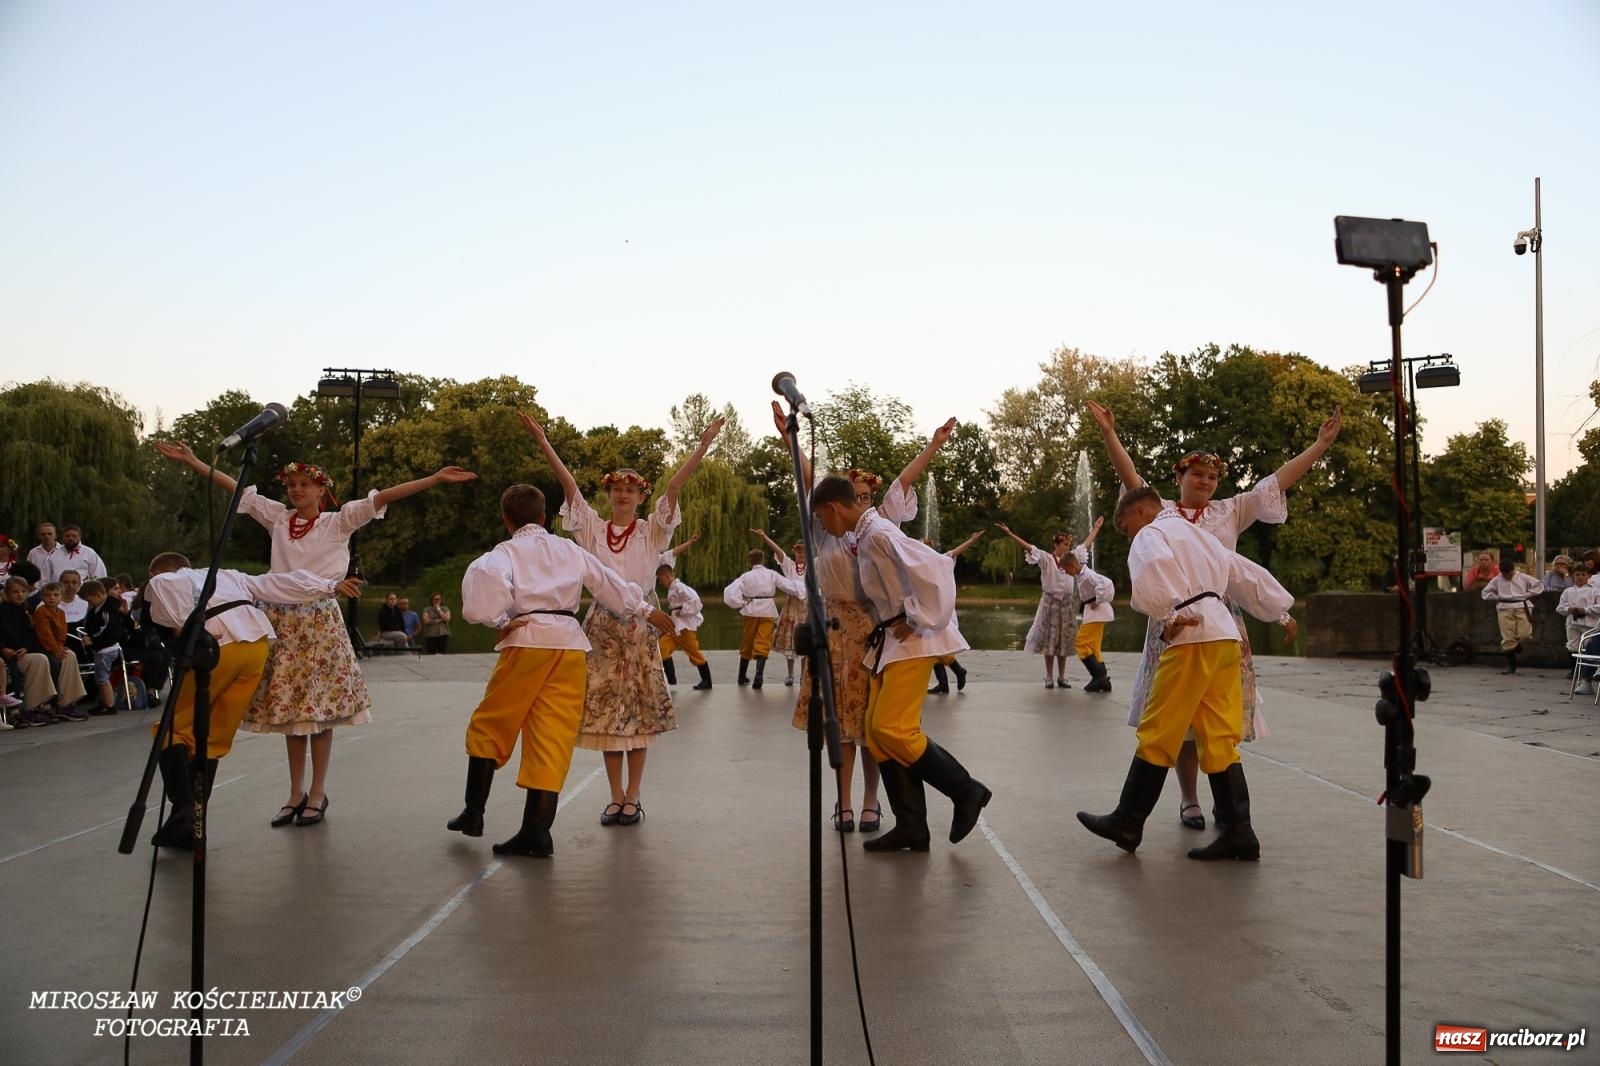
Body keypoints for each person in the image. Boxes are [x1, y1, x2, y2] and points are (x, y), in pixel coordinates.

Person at [156, 440, 476, 828]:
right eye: (292, 485)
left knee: (319, 713)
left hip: (319, 620)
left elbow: (383, 497)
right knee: (293, 712)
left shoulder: (337, 522)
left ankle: (319, 791)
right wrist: (194, 461)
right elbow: (239, 490)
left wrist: (435, 478)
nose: (296, 490)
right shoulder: (278, 519)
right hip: (280, 618)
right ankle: (295, 792)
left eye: (305, 484)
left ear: (322, 490)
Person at [1088, 398, 1340, 831]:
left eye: (1211, 476)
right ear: (1179, 477)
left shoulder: (1222, 512)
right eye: (1197, 474)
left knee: (1173, 722)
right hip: (1201, 625)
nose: (1205, 482)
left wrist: (1319, 446)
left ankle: (1130, 821)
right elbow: (1132, 483)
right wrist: (1110, 434)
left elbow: (1277, 483)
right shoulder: (1161, 511)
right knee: (1202, 723)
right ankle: (1210, 813)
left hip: (1191, 622)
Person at [521, 411, 723, 827]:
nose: (623, 495)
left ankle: (634, 796)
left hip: (643, 623)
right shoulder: (593, 530)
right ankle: (615, 796)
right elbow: (569, 486)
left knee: (639, 710)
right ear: (609, 494)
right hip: (603, 625)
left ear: (641, 497)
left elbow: (675, 485)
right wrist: (544, 442)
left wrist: (702, 446)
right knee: (607, 713)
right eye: (617, 489)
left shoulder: (653, 532)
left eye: (631, 490)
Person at [450, 484, 671, 855]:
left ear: (507, 521)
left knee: (493, 721)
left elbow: (481, 595)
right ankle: (536, 832)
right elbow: (609, 585)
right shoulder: (568, 548)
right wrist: (647, 610)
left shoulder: (505, 552)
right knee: (551, 734)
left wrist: (500, 620)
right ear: (545, 518)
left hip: (528, 641)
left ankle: (474, 812)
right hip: (569, 645)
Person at [1077, 488, 1295, 860]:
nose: (1127, 533)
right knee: (1219, 736)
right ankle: (1238, 831)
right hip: (1225, 638)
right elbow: (1243, 574)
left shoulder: (1152, 533)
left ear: (1142, 511)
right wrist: (1281, 611)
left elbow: (1153, 569)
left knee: (1159, 729)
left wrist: (1169, 613)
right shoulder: (1201, 538)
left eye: (1125, 525)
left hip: (1192, 634)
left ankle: (1128, 821)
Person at [775, 403, 959, 834]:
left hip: (873, 626)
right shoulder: (829, 528)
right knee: (840, 721)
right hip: (836, 623)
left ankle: (874, 802)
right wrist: (791, 440)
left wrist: (933, 445)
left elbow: (905, 483)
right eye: (851, 494)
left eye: (865, 494)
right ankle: (844, 803)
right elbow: (813, 482)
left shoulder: (875, 529)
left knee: (871, 723)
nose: (859, 500)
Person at [808, 474, 989, 852]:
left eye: (822, 519)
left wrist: (918, 615)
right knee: (876, 733)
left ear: (832, 508)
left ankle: (965, 789)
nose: (823, 527)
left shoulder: (878, 533)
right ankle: (911, 825)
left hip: (911, 642)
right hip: (891, 640)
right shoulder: (866, 533)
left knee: (892, 728)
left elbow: (935, 566)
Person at [143, 552, 363, 848]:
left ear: (158, 572)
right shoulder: (228, 574)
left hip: (219, 648)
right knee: (210, 737)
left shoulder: (166, 580)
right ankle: (196, 823)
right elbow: (277, 584)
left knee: (170, 728)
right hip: (256, 647)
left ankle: (183, 811)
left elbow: (172, 621)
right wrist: (327, 585)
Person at [724, 548, 802, 690]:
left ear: (749, 562)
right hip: (767, 609)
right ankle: (759, 675)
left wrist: (740, 603)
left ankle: (741, 676)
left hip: (750, 609)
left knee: (747, 640)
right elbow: (787, 585)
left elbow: (730, 591)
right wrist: (802, 590)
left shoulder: (745, 576)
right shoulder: (771, 574)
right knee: (763, 641)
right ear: (763, 560)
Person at [1014, 529, 1078, 690]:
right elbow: (1030, 548)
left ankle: (1062, 677)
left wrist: (1096, 529)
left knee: (1063, 641)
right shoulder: (1048, 559)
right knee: (1050, 640)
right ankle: (1049, 677)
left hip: (1066, 604)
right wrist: (1010, 533)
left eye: (1068, 545)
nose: (1067, 547)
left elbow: (1086, 546)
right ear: (1056, 545)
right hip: (1051, 603)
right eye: (1064, 544)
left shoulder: (1071, 560)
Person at [927, 530, 985, 696]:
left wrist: (971, 539)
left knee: (937, 648)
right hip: (932, 612)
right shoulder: (921, 564)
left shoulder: (941, 560)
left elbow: (956, 551)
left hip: (941, 612)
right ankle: (944, 683)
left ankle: (958, 671)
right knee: (934, 648)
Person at [751, 530, 807, 686]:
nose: (800, 554)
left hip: (806, 607)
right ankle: (790, 675)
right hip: (792, 606)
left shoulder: (814, 565)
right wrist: (764, 537)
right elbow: (778, 551)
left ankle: (803, 675)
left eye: (803, 551)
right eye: (798, 551)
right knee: (790, 640)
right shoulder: (790, 566)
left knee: (804, 642)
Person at [1, 576, 58, 726]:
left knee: (40, 659)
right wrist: (2, 649)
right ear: (6, 593)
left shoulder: (24, 612)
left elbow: (29, 635)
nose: (19, 595)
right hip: (5, 655)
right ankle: (13, 712)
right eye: (15, 592)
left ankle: (35, 707)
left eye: (23, 591)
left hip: (19, 653)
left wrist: (25, 648)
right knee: (11, 672)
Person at [1067, 518, 1116, 692]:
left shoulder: (1087, 575)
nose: (1067, 574)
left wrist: (1097, 599)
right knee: (1093, 645)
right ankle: (1102, 679)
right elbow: (1084, 545)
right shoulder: (1078, 565)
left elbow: (1106, 583)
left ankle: (1099, 677)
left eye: (1067, 571)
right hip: (1093, 611)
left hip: (1096, 611)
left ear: (1073, 566)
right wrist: (1095, 528)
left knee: (1081, 642)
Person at [31, 582, 90, 720]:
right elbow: (44, 633)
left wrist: (60, 646)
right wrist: (55, 649)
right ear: (43, 598)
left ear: (61, 597)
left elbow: (63, 632)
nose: (52, 598)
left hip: (55, 646)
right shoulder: (41, 612)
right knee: (55, 662)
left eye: (56, 595)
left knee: (70, 655)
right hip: (42, 647)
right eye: (48, 595)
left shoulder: (61, 612)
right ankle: (50, 701)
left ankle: (68, 702)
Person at [1481, 557, 1545, 674]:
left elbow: (1539, 585)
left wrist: (1528, 594)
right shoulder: (1497, 580)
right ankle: (1511, 665)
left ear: (1513, 570)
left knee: (1525, 633)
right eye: (1505, 575)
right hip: (1504, 607)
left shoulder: (1523, 577)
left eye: (1509, 574)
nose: (1507, 577)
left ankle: (1516, 645)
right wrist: (1496, 597)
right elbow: (1485, 593)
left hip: (1521, 605)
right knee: (1507, 637)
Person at [657, 563, 711, 690]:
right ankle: (671, 680)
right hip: (674, 626)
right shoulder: (673, 588)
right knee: (662, 648)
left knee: (693, 652)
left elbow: (695, 601)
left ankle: (707, 680)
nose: (660, 582)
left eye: (660, 579)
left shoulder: (680, 587)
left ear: (666, 576)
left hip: (683, 627)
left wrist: (684, 611)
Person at [79, 579, 127, 715]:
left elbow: (107, 628)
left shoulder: (107, 609)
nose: (89, 604)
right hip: (103, 648)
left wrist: (92, 639)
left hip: (107, 648)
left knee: (102, 678)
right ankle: (104, 702)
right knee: (100, 677)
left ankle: (109, 704)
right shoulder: (99, 609)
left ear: (99, 594)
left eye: (90, 600)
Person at [1556, 567, 1600, 694]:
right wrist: (1570, 609)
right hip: (1573, 623)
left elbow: (1598, 607)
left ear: (1588, 576)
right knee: (1573, 646)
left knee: (1588, 647)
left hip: (1589, 624)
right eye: (1577, 574)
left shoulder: (1594, 591)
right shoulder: (1568, 591)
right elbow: (1560, 607)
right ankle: (1574, 670)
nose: (1580, 577)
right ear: (1573, 576)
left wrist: (1585, 610)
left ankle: (1586, 676)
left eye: (1583, 574)